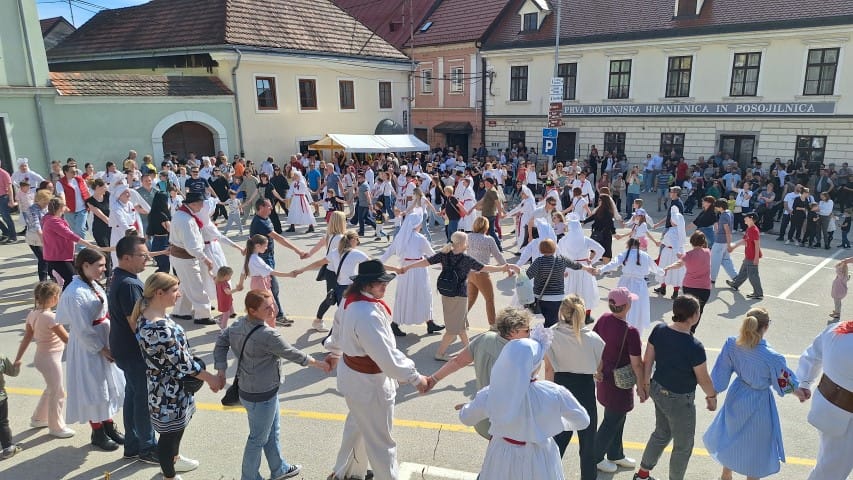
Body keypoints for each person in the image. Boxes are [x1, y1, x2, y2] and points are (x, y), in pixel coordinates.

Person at [323, 260, 430, 480]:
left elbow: (337, 328)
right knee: (382, 442)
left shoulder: (349, 301)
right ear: (367, 285)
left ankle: (349, 473)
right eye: (379, 283)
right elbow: (386, 356)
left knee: (358, 428)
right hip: (369, 385)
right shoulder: (367, 314)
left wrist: (334, 352)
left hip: (355, 380)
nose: (384, 286)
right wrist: (415, 378)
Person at [214, 289, 330, 480]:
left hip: (250, 390)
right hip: (262, 395)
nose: (273, 310)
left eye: (273, 304)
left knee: (271, 431)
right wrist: (319, 363)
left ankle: (279, 468)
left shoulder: (238, 325)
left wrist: (221, 369)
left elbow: (221, 341)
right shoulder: (268, 335)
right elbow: (292, 353)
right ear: (252, 311)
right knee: (257, 439)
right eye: (267, 308)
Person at [457, 330, 591, 480]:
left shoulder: (492, 392)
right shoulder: (554, 392)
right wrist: (549, 423)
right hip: (540, 456)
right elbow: (582, 420)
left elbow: (466, 418)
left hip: (502, 455)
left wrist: (466, 408)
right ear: (535, 365)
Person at [133, 272, 222, 480]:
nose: (179, 295)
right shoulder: (157, 326)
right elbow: (183, 363)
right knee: (168, 435)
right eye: (175, 290)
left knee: (177, 427)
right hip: (168, 391)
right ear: (159, 292)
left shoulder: (149, 313)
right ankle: (169, 476)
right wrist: (210, 378)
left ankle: (175, 459)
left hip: (170, 387)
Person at [703, 307, 798, 480]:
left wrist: (713, 394)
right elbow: (786, 384)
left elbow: (721, 372)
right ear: (766, 326)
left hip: (737, 394)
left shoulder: (732, 343)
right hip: (759, 402)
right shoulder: (772, 357)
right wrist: (801, 393)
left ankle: (725, 476)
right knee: (756, 446)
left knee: (732, 436)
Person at [633, 295, 717, 480]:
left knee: (661, 433)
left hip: (658, 389)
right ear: (695, 316)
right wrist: (712, 396)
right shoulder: (695, 346)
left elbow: (648, 360)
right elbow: (703, 379)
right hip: (680, 400)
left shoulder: (659, 330)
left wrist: (645, 384)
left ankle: (642, 474)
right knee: (683, 446)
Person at [403, 232, 516, 360]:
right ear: (463, 244)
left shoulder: (444, 255)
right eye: (467, 241)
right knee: (452, 330)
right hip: (459, 296)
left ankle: (470, 354)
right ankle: (440, 353)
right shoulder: (466, 260)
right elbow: (484, 268)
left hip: (446, 293)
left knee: (461, 327)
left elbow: (426, 262)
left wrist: (408, 267)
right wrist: (502, 268)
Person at [424, 307, 532, 438]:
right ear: (513, 332)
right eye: (527, 330)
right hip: (506, 422)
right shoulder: (519, 353)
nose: (530, 333)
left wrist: (434, 379)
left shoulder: (485, 338)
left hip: (483, 418)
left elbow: (457, 361)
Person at [58, 248, 126, 451]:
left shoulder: (91, 283)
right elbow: (82, 328)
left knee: (106, 385)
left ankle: (108, 425)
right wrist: (101, 348)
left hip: (103, 340)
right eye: (100, 266)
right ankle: (97, 432)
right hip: (89, 347)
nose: (104, 270)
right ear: (85, 265)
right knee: (93, 388)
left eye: (104, 265)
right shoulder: (74, 293)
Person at [107, 235, 158, 463]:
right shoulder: (129, 285)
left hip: (123, 349)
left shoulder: (120, 277)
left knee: (133, 395)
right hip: (133, 351)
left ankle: (132, 444)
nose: (146, 259)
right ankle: (146, 448)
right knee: (143, 399)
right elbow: (136, 322)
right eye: (142, 255)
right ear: (126, 258)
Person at [544, 295, 604, 480]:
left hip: (561, 389)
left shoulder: (551, 334)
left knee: (558, 442)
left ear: (562, 311)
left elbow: (549, 369)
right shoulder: (594, 339)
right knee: (588, 446)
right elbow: (598, 368)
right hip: (585, 390)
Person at [794, 316, 853, 480]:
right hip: (845, 419)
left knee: (827, 463)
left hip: (827, 408)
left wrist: (804, 382)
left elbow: (812, 354)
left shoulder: (837, 329)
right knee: (830, 471)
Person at [592, 288, 644, 474]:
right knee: (612, 420)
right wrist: (642, 386)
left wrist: (596, 369)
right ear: (627, 305)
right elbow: (637, 364)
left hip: (604, 377)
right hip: (619, 383)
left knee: (616, 418)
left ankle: (615, 453)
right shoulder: (630, 331)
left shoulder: (604, 319)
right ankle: (595, 457)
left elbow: (594, 344)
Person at [13, 281, 74, 438]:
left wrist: (18, 358)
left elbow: (27, 338)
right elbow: (67, 339)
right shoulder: (50, 318)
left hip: (41, 358)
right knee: (58, 392)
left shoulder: (32, 314)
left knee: (51, 389)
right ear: (54, 297)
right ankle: (56, 427)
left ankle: (39, 418)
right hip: (50, 360)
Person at [379, 211, 444, 336]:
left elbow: (387, 253)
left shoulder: (400, 237)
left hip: (404, 271)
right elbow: (433, 256)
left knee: (403, 296)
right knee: (424, 295)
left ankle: (423, 323)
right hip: (419, 270)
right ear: (417, 224)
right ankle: (426, 322)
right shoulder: (420, 238)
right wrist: (446, 265)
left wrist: (378, 264)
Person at [250, 198, 309, 325]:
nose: (271, 208)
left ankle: (272, 315)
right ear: (261, 207)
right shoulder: (260, 222)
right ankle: (276, 315)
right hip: (264, 259)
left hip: (269, 256)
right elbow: (278, 237)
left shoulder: (266, 218)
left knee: (271, 289)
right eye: (269, 206)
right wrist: (297, 250)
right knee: (272, 289)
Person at [598, 239, 664, 335]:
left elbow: (613, 264)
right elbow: (655, 269)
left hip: (624, 284)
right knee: (637, 307)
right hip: (640, 286)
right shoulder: (645, 255)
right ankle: (635, 331)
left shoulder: (625, 254)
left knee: (622, 305)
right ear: (638, 245)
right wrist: (663, 272)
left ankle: (620, 328)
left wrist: (600, 270)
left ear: (628, 245)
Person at [526, 238, 597, 328]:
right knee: (552, 321)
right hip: (557, 298)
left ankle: (547, 336)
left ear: (540, 249)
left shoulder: (539, 261)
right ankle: (551, 337)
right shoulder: (562, 259)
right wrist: (588, 269)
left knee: (549, 321)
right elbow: (576, 265)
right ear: (554, 248)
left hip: (541, 297)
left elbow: (528, 275)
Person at [169, 192, 215, 325]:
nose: (203, 206)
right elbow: (192, 247)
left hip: (182, 257)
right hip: (185, 258)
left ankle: (180, 311)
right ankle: (203, 315)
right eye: (201, 204)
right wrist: (205, 259)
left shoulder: (183, 215)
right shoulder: (186, 220)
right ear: (193, 204)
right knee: (196, 286)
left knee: (186, 284)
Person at [42, 197, 104, 287]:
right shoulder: (54, 222)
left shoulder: (52, 219)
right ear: (60, 208)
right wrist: (90, 245)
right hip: (58, 257)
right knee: (71, 279)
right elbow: (70, 235)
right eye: (64, 205)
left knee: (76, 276)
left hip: (62, 255)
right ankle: (65, 299)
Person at [304, 211, 347, 332]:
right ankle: (337, 325)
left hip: (329, 270)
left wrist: (306, 254)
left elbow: (314, 249)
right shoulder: (341, 238)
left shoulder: (328, 235)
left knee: (332, 297)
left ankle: (319, 320)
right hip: (338, 272)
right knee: (336, 298)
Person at [662, 231, 712, 332]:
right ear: (703, 242)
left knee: (686, 309)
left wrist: (668, 267)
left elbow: (679, 264)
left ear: (691, 242)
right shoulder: (708, 252)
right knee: (699, 311)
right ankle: (691, 330)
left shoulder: (688, 255)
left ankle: (682, 328)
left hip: (689, 286)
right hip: (704, 287)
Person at [559, 214, 605, 320]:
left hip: (569, 269)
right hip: (585, 269)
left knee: (569, 291)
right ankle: (587, 315)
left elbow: (559, 256)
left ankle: (569, 315)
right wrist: (592, 261)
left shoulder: (563, 240)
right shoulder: (586, 240)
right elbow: (601, 250)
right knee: (586, 291)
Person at [463, 217, 506, 327]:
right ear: (486, 227)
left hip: (470, 273)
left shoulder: (468, 237)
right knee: (489, 300)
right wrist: (506, 267)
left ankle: (460, 319)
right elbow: (498, 255)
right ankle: (493, 325)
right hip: (482, 273)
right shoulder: (488, 239)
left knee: (471, 298)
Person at [651, 205, 687, 299]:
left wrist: (676, 252)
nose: (670, 220)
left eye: (671, 219)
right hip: (677, 251)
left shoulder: (672, 231)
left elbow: (673, 243)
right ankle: (674, 292)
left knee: (664, 269)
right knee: (676, 271)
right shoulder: (680, 230)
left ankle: (664, 288)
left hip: (669, 252)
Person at [726, 212, 764, 300]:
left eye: (745, 217)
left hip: (752, 256)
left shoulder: (754, 230)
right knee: (743, 271)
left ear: (751, 218)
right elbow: (744, 240)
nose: (744, 219)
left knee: (753, 275)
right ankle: (735, 285)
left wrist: (756, 258)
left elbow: (757, 244)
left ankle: (758, 293)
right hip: (748, 255)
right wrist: (733, 247)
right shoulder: (749, 229)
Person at [25, 189, 52, 282]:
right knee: (43, 258)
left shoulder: (45, 208)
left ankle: (52, 277)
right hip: (34, 238)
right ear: (38, 199)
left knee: (48, 258)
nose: (46, 204)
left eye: (47, 202)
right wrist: (42, 237)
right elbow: (36, 224)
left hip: (44, 236)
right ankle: (43, 281)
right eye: (44, 201)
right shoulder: (33, 209)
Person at [711, 199, 739, 286]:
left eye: (716, 206)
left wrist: (729, 244)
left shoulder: (723, 216)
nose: (715, 208)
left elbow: (727, 230)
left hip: (720, 242)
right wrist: (728, 243)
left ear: (720, 207)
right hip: (725, 242)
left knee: (714, 261)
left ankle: (712, 279)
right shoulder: (729, 212)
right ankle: (735, 277)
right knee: (726, 260)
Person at [0, 353, 21, 458]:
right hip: (1, 398)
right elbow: (13, 372)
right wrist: (17, 366)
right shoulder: (1, 357)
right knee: (2, 423)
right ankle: (8, 448)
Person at [147, 191, 172, 273]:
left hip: (156, 242)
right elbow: (170, 229)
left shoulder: (152, 214)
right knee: (165, 268)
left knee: (162, 267)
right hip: (163, 242)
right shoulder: (162, 215)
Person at [215, 266, 236, 330]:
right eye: (230, 276)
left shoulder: (217, 281)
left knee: (229, 312)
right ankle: (223, 327)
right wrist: (237, 289)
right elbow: (228, 292)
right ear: (225, 276)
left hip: (224, 300)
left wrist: (209, 270)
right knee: (226, 314)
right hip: (225, 301)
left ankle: (220, 320)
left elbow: (211, 275)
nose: (230, 277)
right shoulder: (224, 284)